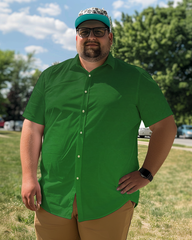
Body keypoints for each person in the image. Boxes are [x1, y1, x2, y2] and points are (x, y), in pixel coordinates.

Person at [20, 7, 177, 240]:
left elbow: (166, 127)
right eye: (84, 31)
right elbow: (32, 127)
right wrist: (29, 177)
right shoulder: (50, 78)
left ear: (110, 37)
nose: (91, 37)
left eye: (99, 31)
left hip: (108, 199)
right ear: (76, 38)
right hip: (53, 197)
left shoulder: (136, 79)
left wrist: (146, 173)